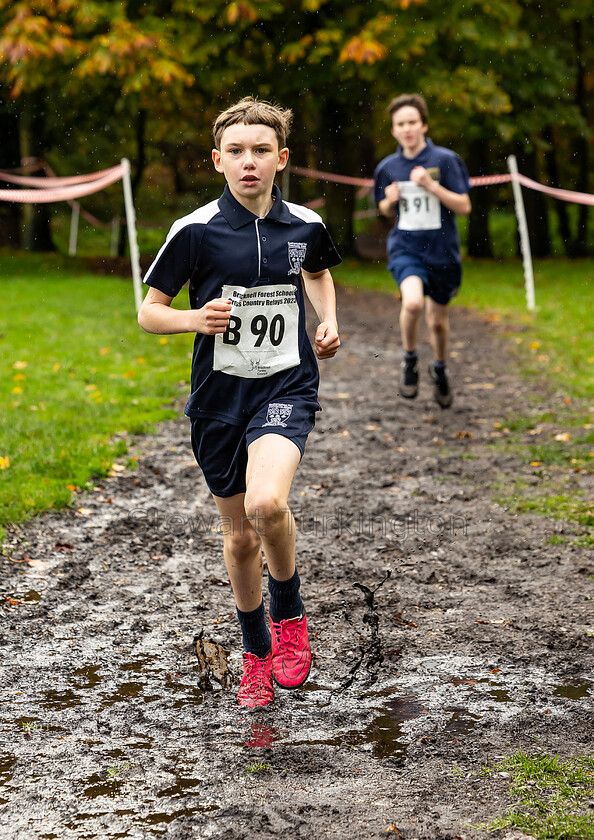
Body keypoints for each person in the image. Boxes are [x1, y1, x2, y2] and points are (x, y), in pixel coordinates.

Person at [138, 97, 341, 708]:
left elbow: (318, 276)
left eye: (259, 151)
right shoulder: (194, 230)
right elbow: (148, 312)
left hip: (285, 388)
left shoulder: (305, 224)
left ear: (280, 159)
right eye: (235, 152)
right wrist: (195, 318)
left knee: (267, 503)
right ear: (217, 160)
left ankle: (290, 615)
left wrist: (327, 321)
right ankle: (254, 650)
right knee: (239, 535)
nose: (247, 162)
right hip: (219, 400)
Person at [374, 93, 471, 408]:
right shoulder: (388, 167)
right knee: (413, 303)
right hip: (406, 248)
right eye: (400, 124)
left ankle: (440, 369)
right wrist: (389, 201)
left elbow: (464, 206)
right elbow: (385, 211)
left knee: (438, 321)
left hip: (442, 252)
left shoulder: (445, 160)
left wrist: (432, 187)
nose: (407, 129)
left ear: (424, 125)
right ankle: (410, 359)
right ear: (393, 130)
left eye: (412, 122)